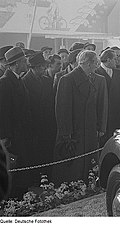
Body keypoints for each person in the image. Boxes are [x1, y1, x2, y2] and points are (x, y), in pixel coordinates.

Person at [53, 50, 108, 186]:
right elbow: (62, 110)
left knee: (89, 163)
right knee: (74, 166)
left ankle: (88, 185)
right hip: (74, 133)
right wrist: (66, 134)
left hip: (89, 129)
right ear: (88, 64)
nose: (97, 67)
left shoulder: (95, 79)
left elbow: (100, 105)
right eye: (96, 64)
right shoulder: (67, 80)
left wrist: (100, 126)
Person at [0, 47, 30, 198]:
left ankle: (20, 197)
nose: (27, 63)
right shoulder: (4, 83)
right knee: (13, 170)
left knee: (21, 169)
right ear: (17, 63)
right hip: (12, 137)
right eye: (24, 61)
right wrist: (5, 138)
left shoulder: (18, 80)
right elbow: (3, 113)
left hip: (22, 134)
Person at [22, 52, 56, 184]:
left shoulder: (47, 81)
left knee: (47, 150)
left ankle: (47, 174)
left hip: (47, 123)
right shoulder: (25, 81)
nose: (44, 70)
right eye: (42, 67)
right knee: (35, 152)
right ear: (35, 67)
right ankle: (35, 178)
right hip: (33, 124)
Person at [96, 49, 120, 146]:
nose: (117, 61)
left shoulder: (119, 73)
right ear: (108, 60)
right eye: (115, 59)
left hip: (117, 116)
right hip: (103, 117)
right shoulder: (96, 73)